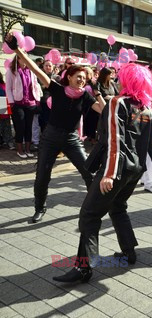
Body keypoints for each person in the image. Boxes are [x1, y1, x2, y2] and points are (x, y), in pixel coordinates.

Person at [52, 63, 152, 283]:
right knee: (118, 207)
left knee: (89, 214)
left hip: (117, 169)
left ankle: (84, 267)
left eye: (122, 77)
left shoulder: (118, 103)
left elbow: (115, 140)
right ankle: (129, 252)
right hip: (134, 171)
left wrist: (109, 173)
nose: (119, 80)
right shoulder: (147, 110)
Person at [4, 33, 106, 223]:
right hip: (50, 137)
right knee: (42, 175)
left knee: (89, 172)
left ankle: (93, 206)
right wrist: (18, 49)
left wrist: (97, 90)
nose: (81, 80)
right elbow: (35, 69)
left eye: (84, 78)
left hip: (71, 139)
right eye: (78, 77)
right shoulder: (57, 88)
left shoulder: (85, 96)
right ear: (69, 77)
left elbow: (104, 111)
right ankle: (39, 208)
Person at [5, 54, 42, 158]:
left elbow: (35, 86)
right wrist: (11, 102)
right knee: (20, 126)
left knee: (29, 127)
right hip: (17, 103)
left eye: (27, 58)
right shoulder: (11, 71)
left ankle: (28, 149)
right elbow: (8, 88)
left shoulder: (31, 70)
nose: (25, 60)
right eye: (22, 58)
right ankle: (20, 150)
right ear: (18, 59)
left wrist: (37, 99)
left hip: (31, 103)